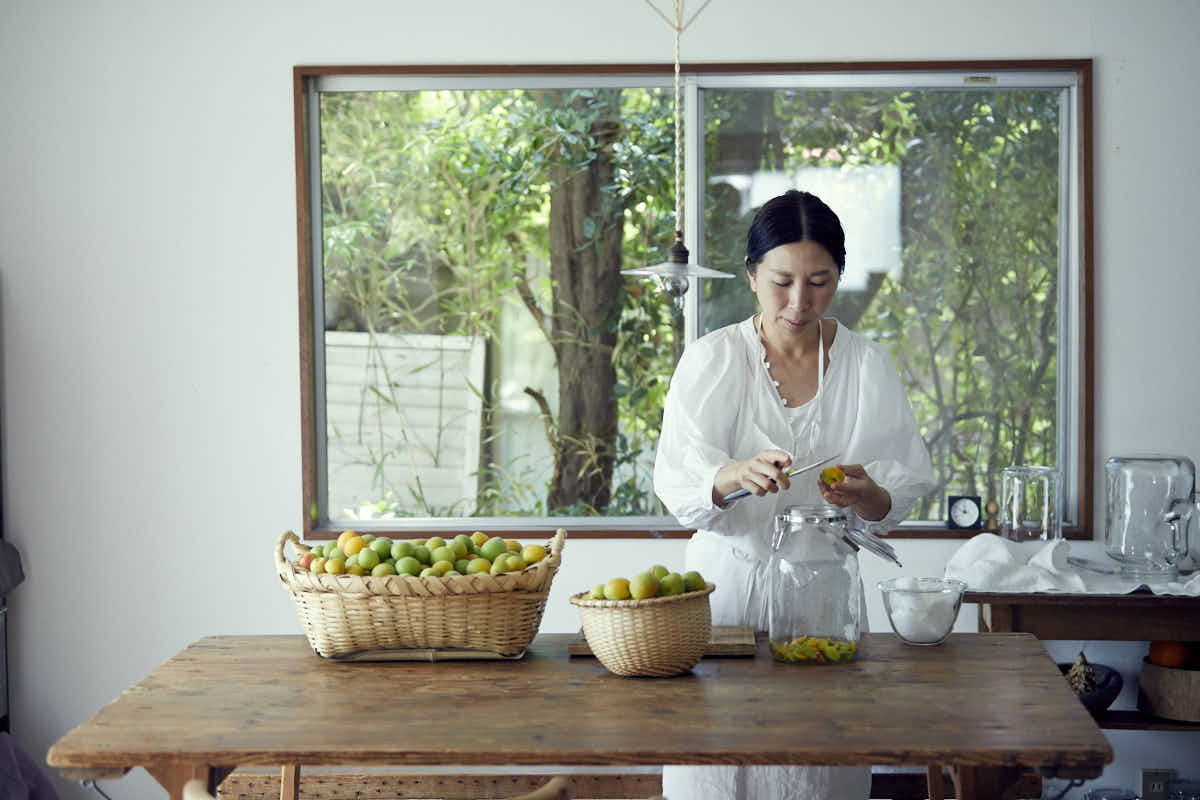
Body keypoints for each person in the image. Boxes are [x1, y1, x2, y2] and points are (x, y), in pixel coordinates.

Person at [653, 189, 936, 800]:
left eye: (819, 281)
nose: (799, 302)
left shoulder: (866, 366)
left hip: (824, 597)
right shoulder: (712, 360)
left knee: (818, 767)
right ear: (753, 275)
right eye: (782, 281)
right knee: (718, 769)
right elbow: (679, 484)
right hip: (725, 597)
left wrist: (870, 495)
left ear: (838, 277)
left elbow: (900, 490)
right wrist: (731, 476)